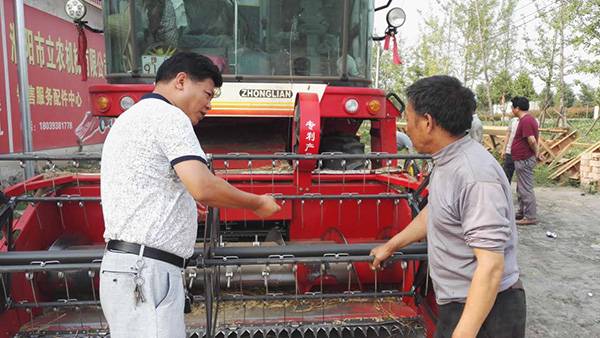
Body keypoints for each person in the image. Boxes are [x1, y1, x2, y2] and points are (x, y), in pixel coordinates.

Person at [99, 52, 281, 337]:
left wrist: (180, 207)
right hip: (148, 273)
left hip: (129, 270)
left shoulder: (130, 117)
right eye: (207, 94)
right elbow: (203, 187)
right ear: (181, 81)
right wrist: (257, 203)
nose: (209, 104)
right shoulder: (170, 116)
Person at [371, 76, 525, 338]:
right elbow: (437, 211)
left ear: (428, 122)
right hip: (461, 303)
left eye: (408, 119)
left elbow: (490, 267)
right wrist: (391, 245)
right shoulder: (447, 161)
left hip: (486, 311)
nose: (405, 127)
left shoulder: (474, 175)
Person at [510, 96, 539, 225]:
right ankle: (522, 211)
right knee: (521, 187)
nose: (511, 109)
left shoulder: (526, 120)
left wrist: (536, 153)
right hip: (521, 158)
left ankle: (530, 216)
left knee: (525, 188)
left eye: (512, 107)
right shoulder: (526, 119)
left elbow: (531, 140)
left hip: (524, 159)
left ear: (517, 108)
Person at [501, 116, 519, 183]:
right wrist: (504, 149)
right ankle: (506, 191)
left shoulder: (528, 120)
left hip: (521, 154)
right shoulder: (513, 121)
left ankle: (520, 193)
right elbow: (508, 135)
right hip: (510, 152)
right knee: (506, 174)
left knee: (521, 177)